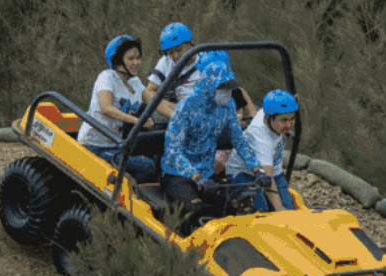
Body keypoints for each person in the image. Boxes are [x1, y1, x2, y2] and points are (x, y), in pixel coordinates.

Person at [160, 59, 271, 235]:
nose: (227, 94)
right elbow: (172, 151)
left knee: (235, 205)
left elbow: (239, 141)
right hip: (178, 174)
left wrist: (258, 170)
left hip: (207, 173)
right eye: (223, 89)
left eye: (229, 89)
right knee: (194, 210)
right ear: (209, 86)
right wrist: (197, 178)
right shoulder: (186, 108)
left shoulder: (227, 106)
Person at [77, 35, 156, 183]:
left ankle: (125, 188)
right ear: (118, 62)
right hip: (94, 146)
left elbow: (156, 103)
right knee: (147, 166)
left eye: (138, 58)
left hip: (115, 145)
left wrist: (178, 113)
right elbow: (106, 108)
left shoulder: (135, 82)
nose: (137, 62)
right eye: (131, 59)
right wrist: (138, 121)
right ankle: (123, 194)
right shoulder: (106, 77)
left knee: (153, 154)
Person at [225, 89, 299, 212]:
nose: (289, 124)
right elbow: (267, 175)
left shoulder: (271, 112)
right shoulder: (260, 136)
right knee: (262, 211)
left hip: (274, 172)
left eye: (292, 119)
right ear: (269, 117)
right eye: (284, 120)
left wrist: (293, 99)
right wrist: (279, 208)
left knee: (289, 208)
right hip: (244, 175)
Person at [142, 22, 200, 122]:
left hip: (201, 107)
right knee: (146, 94)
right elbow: (150, 90)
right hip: (175, 108)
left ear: (190, 43)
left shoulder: (206, 60)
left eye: (179, 50)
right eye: (171, 53)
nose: (176, 56)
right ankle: (178, 119)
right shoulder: (166, 61)